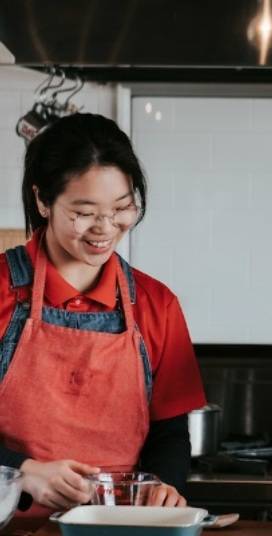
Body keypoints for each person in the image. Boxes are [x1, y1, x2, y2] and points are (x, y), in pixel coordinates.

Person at [0, 114, 206, 515]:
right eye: (84, 212)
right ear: (42, 200)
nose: (106, 227)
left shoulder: (156, 304)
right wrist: (21, 471)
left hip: (119, 524)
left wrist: (164, 486)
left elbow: (170, 434)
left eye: (122, 208)